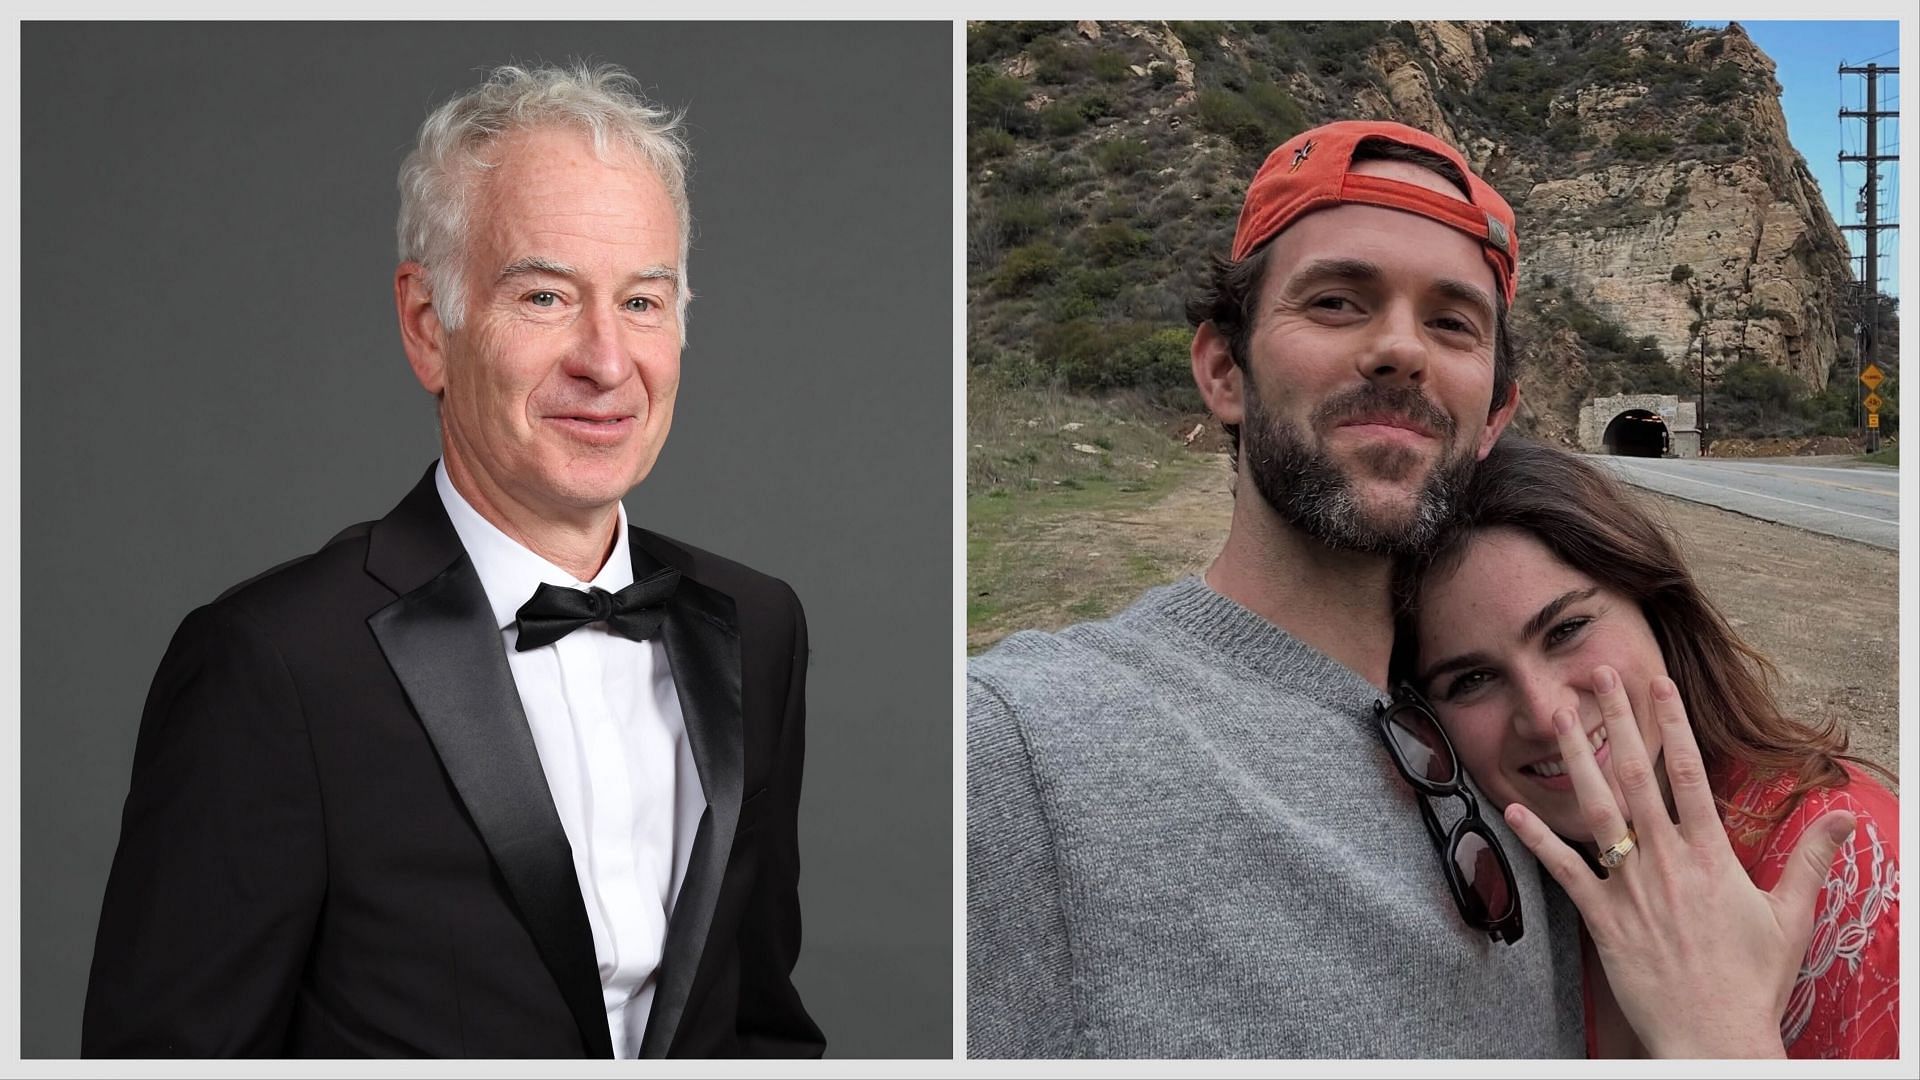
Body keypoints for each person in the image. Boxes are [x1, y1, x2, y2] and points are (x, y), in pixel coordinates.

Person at [82, 63, 824, 1059]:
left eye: (644, 302)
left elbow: (758, 1029)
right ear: (430, 327)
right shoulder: (274, 666)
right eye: (548, 296)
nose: (607, 361)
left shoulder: (757, 625)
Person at [968, 120, 1587, 1057]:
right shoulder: (1023, 747)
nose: (1400, 350)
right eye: (1338, 302)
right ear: (1224, 370)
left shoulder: (1510, 745)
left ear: (1494, 413)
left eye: (1453, 323)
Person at [1395, 436, 1898, 1058]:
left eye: (1568, 630)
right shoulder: (1479, 885)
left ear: (1656, 611)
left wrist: (1719, 1038)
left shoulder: (1845, 867)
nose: (1549, 715)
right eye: (1471, 680)